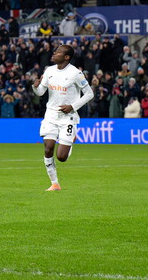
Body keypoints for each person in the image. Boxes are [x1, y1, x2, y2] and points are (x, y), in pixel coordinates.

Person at [31, 44, 93, 192]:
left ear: (66, 57)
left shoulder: (75, 73)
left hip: (68, 117)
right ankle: (55, 184)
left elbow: (90, 94)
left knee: (62, 157)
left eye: (58, 52)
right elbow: (40, 93)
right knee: (48, 148)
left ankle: (71, 139)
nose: (54, 53)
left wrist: (72, 106)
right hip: (51, 114)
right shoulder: (49, 71)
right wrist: (35, 86)